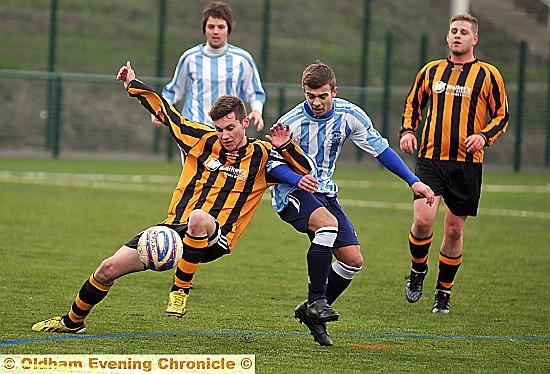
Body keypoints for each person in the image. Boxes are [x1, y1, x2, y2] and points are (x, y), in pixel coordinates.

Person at [31, 61, 313, 334]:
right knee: (108, 268)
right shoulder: (203, 140)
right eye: (219, 129)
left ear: (246, 121)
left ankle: (179, 291)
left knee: (199, 217)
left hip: (218, 236)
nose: (225, 135)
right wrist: (132, 83)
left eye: (231, 128)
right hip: (173, 228)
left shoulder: (262, 156)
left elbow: (304, 172)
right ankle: (72, 321)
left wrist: (286, 146)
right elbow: (168, 114)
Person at [270, 61, 435, 346]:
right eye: (311, 96)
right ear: (303, 92)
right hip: (291, 192)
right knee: (327, 225)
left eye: (323, 95)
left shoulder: (349, 115)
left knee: (352, 261)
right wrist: (297, 180)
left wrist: (413, 181)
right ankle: (318, 301)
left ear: (334, 91)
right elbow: (270, 166)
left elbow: (380, 150)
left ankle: (311, 310)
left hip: (324, 192)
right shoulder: (291, 123)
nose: (317, 102)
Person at [399, 14, 509, 314]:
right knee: (423, 220)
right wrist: (408, 130)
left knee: (454, 231)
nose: (457, 35)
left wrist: (484, 137)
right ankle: (418, 271)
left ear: (474, 39)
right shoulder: (431, 70)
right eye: (453, 31)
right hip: (431, 159)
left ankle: (443, 292)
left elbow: (502, 115)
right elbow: (413, 104)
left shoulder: (489, 75)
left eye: (463, 32)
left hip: (466, 165)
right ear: (447, 37)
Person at [154, 1, 266, 165]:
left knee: (224, 184)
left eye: (220, 27)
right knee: (194, 183)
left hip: (228, 132)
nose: (215, 31)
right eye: (211, 26)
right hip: (194, 130)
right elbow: (173, 90)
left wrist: (257, 110)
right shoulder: (190, 58)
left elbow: (255, 91)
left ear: (228, 29)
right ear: (204, 28)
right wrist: (159, 109)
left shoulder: (242, 59)